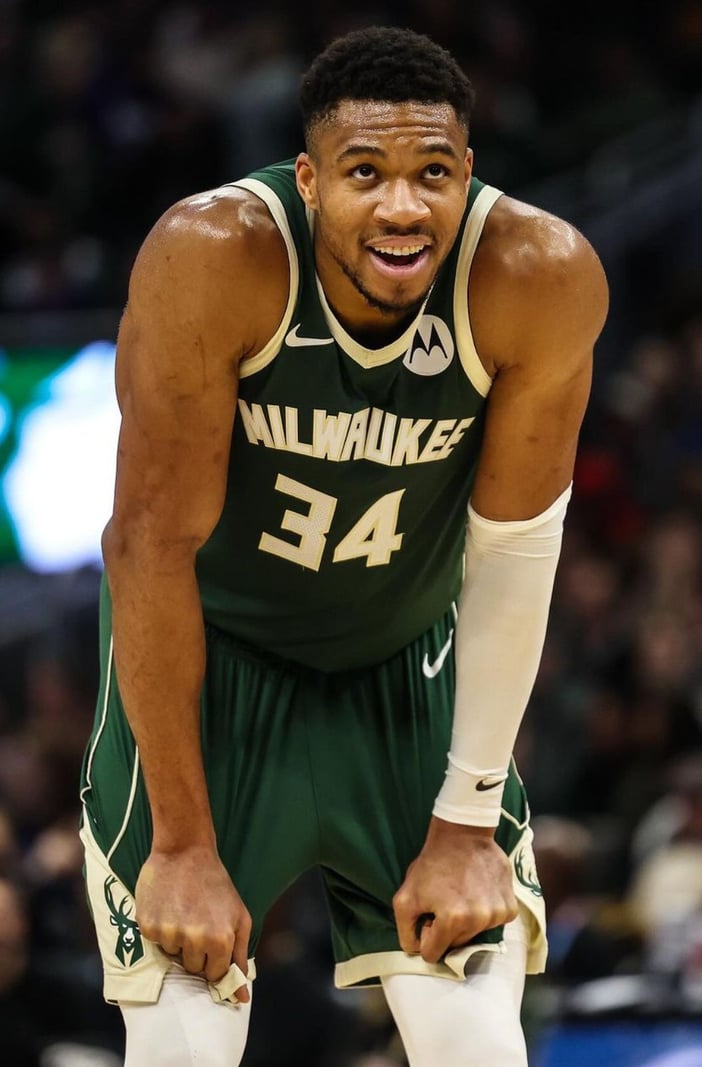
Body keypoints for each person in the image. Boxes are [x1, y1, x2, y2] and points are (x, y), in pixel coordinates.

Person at [79, 25, 608, 1067]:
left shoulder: (535, 275)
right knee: (183, 1044)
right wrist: (181, 843)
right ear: (310, 180)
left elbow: (514, 550)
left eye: (433, 174)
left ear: (468, 175)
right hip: (212, 671)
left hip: (403, 670)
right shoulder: (213, 256)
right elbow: (149, 548)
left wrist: (467, 822)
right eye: (366, 173)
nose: (402, 207)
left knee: (476, 1046)